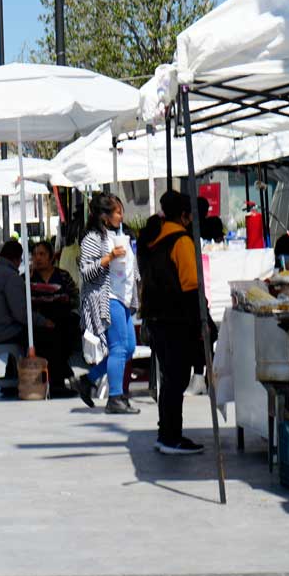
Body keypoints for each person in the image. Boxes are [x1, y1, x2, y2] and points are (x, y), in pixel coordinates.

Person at [140, 190, 205, 455]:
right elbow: (191, 286)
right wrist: (202, 320)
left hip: (156, 317)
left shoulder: (152, 239)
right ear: (184, 215)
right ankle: (171, 436)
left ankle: (166, 432)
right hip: (176, 318)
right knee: (176, 379)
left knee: (170, 379)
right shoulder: (180, 241)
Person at [75, 193, 140, 415]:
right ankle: (115, 397)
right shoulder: (93, 239)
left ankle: (89, 379)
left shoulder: (121, 234)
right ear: (104, 216)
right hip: (107, 298)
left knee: (129, 347)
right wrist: (109, 257)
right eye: (118, 212)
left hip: (124, 298)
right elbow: (86, 272)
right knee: (118, 348)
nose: (121, 216)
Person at [0, 239, 49, 397]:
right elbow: (21, 314)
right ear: (16, 259)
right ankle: (39, 381)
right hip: (2, 331)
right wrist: (43, 321)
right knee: (40, 335)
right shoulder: (10, 277)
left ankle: (10, 378)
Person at [29, 240, 79, 393]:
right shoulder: (27, 279)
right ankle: (58, 380)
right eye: (35, 255)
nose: (38, 258)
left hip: (61, 320)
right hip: (39, 323)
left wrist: (60, 300)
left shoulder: (63, 276)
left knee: (65, 333)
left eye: (42, 254)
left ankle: (58, 381)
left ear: (51, 257)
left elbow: (75, 298)